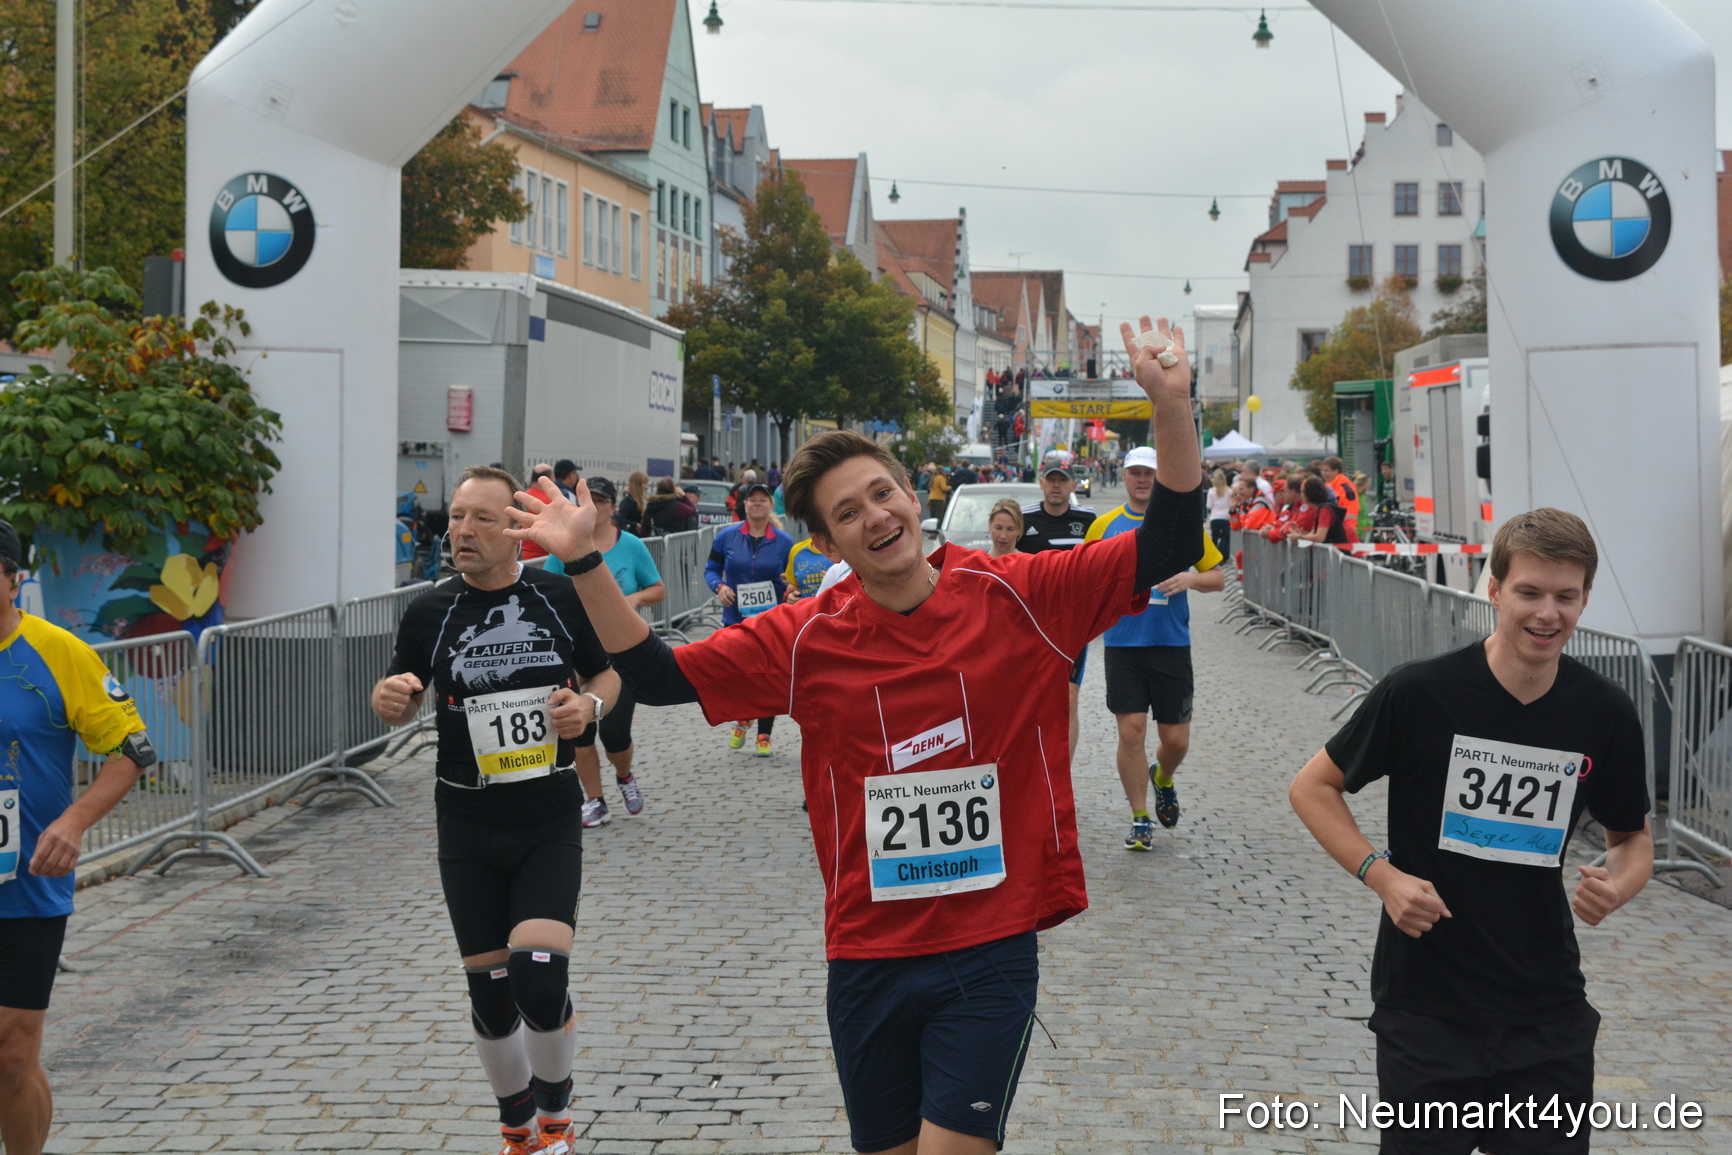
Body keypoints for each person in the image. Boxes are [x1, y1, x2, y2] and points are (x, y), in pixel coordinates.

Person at [504, 315, 1203, 1155]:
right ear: (826, 540)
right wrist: (583, 561)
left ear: (913, 499)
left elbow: (1166, 538)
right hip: (868, 951)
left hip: (990, 945)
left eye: (883, 493)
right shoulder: (804, 637)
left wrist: (1172, 407)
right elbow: (657, 678)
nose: (875, 515)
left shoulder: (1020, 596)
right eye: (848, 511)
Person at [1289, 509, 1652, 1155]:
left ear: (1585, 598)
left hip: (1546, 1009)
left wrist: (1618, 884)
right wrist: (1383, 876)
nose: (1548, 613)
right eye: (1530, 592)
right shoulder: (1422, 693)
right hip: (1428, 1006)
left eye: (1566, 596)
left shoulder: (1605, 712)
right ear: (1494, 589)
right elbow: (1312, 786)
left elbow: (1633, 837)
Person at [370, 467, 621, 1155]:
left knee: (539, 979)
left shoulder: (558, 595)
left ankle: (557, 1121)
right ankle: (517, 1130)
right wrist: (388, 699)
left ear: (516, 528)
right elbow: (403, 688)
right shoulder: (430, 610)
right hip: (467, 824)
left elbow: (608, 674)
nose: (462, 530)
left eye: (481, 517)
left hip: (545, 815)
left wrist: (587, 708)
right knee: (491, 996)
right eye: (455, 515)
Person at [0, 520, 155, 1155]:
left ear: (12, 579)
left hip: (28, 878)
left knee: (11, 1052)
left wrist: (73, 821)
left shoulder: (58, 651)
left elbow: (131, 749)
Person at [1085, 445, 1224, 849]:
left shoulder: (1181, 527)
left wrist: (1189, 580)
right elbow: (1086, 578)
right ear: (1124, 477)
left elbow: (1217, 578)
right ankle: (1140, 817)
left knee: (1176, 740)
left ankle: (1162, 777)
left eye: (1149, 473)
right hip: (1123, 644)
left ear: (1159, 478)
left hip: (1171, 643)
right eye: (1135, 473)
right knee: (1131, 731)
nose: (1142, 480)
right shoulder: (1105, 525)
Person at [546, 477, 660, 828]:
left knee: (615, 736)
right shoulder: (563, 547)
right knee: (579, 731)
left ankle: (624, 775)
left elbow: (657, 588)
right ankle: (595, 801)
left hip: (619, 652)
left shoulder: (631, 546)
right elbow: (549, 593)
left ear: (613, 506)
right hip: (577, 651)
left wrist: (633, 599)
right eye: (589, 500)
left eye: (602, 500)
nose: (595, 506)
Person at [703, 479, 793, 757]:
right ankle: (743, 717)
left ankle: (764, 734)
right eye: (752, 499)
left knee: (769, 676)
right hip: (736, 618)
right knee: (739, 673)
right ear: (744, 505)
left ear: (770, 506)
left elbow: (792, 578)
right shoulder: (726, 537)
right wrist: (720, 586)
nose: (757, 504)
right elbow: (711, 568)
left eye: (762, 500)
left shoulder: (784, 541)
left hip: (772, 620)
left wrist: (789, 588)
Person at [1017, 463, 1098, 761]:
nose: (1056, 486)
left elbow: (1098, 565)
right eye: (1050, 480)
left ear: (1073, 486)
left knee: (1069, 697)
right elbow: (1001, 559)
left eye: (1061, 481)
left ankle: (1061, 769)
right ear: (1041, 483)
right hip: (1029, 622)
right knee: (1029, 696)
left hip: (1073, 622)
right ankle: (1029, 763)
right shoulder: (1024, 518)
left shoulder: (1087, 519)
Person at [1292, 475, 1351, 545]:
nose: (1301, 495)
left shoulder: (1325, 510)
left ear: (1310, 492)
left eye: (1302, 491)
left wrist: (1299, 536)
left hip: (1337, 552)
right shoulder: (1320, 509)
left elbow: (1319, 537)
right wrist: (1302, 533)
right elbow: (1313, 534)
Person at [1320, 456, 1359, 527]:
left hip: (1344, 529)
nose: (1323, 473)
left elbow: (1351, 512)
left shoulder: (1345, 488)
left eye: (1326, 471)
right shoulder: (1329, 485)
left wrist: (1347, 531)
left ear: (1336, 471)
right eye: (1322, 470)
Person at [1205, 468, 1233, 559]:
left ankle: (1214, 558)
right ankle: (1225, 556)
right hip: (1226, 517)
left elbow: (1209, 505)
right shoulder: (1229, 490)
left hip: (1215, 517)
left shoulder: (1211, 491)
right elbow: (1231, 504)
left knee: (1214, 539)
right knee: (1226, 538)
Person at [617, 471, 651, 538]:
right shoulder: (629, 500)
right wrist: (635, 525)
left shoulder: (636, 500)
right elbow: (620, 518)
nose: (647, 487)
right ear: (637, 485)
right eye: (645, 483)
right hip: (631, 536)